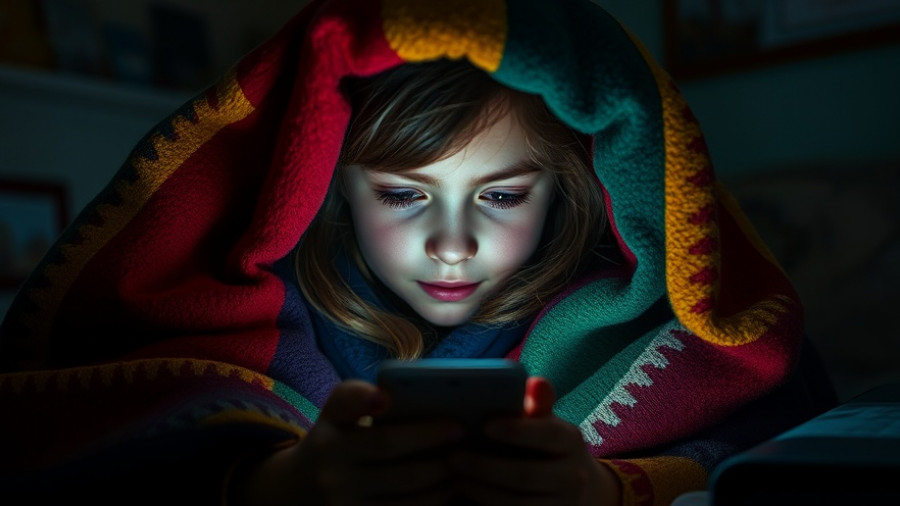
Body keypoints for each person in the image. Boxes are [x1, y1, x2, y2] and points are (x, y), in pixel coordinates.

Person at [0, 0, 835, 505]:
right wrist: (272, 486)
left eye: (503, 195)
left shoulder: (636, 325)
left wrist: (606, 493)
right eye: (403, 194)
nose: (452, 243)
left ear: (566, 191)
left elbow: (783, 444)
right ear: (325, 188)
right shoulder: (244, 323)